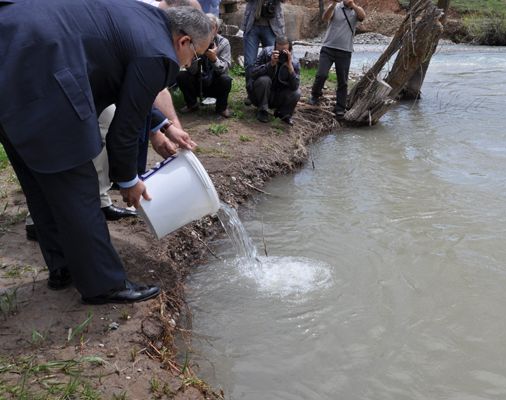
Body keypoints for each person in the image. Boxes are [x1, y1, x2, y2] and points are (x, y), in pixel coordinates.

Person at [0, 0, 212, 304]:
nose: (190, 65)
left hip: (15, 52)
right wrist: (128, 181)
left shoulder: (145, 20)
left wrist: (163, 125)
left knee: (41, 178)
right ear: (183, 41)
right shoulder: (160, 53)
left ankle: (64, 267)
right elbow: (123, 131)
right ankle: (104, 284)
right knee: (78, 185)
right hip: (42, 66)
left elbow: (126, 91)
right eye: (196, 55)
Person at [308, 0, 366, 119]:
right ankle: (315, 95)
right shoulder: (335, 7)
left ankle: (340, 108)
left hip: (345, 51)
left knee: (343, 81)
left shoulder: (356, 10)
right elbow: (325, 18)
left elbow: (362, 17)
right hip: (328, 48)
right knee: (321, 75)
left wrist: (353, 5)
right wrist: (333, 4)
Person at [177, 14, 233, 118]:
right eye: (205, 27)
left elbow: (224, 70)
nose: (208, 30)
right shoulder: (194, 41)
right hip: (198, 81)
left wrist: (214, 59)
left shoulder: (223, 43)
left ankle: (221, 108)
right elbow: (191, 70)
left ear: (216, 28)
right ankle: (192, 104)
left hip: (215, 83)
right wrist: (196, 55)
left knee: (226, 79)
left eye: (211, 27)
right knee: (181, 75)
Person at [249, 36, 300, 125]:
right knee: (264, 80)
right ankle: (262, 110)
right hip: (260, 95)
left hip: (278, 97)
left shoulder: (294, 61)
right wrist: (270, 64)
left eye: (284, 51)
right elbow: (253, 74)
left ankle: (284, 114)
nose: (281, 54)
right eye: (279, 50)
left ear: (290, 50)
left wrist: (290, 68)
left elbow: (295, 86)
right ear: (275, 47)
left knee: (297, 93)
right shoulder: (266, 52)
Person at [242, 0, 286, 98]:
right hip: (252, 24)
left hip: (273, 26)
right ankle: (251, 93)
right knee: (249, 63)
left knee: (273, 59)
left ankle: (270, 93)